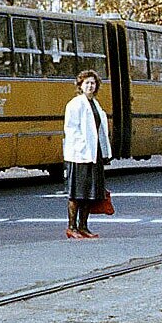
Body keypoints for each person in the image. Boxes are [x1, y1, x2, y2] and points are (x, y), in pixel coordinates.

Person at [63, 70, 113, 239]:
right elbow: (71, 129)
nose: (90, 86)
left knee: (90, 193)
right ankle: (72, 227)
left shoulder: (95, 104)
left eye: (93, 83)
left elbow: (100, 131)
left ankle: (83, 226)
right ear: (80, 86)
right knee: (77, 193)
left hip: (94, 154)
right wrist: (83, 147)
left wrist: (104, 151)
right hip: (79, 155)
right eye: (87, 83)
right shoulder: (75, 104)